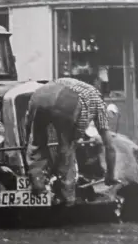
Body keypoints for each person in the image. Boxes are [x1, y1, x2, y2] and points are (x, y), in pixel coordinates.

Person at [23, 76, 118, 206]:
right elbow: (110, 146)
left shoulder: (72, 81)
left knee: (37, 142)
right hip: (68, 99)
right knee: (66, 147)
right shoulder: (99, 103)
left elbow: (28, 128)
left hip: (40, 94)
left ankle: (38, 184)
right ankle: (67, 198)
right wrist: (111, 175)